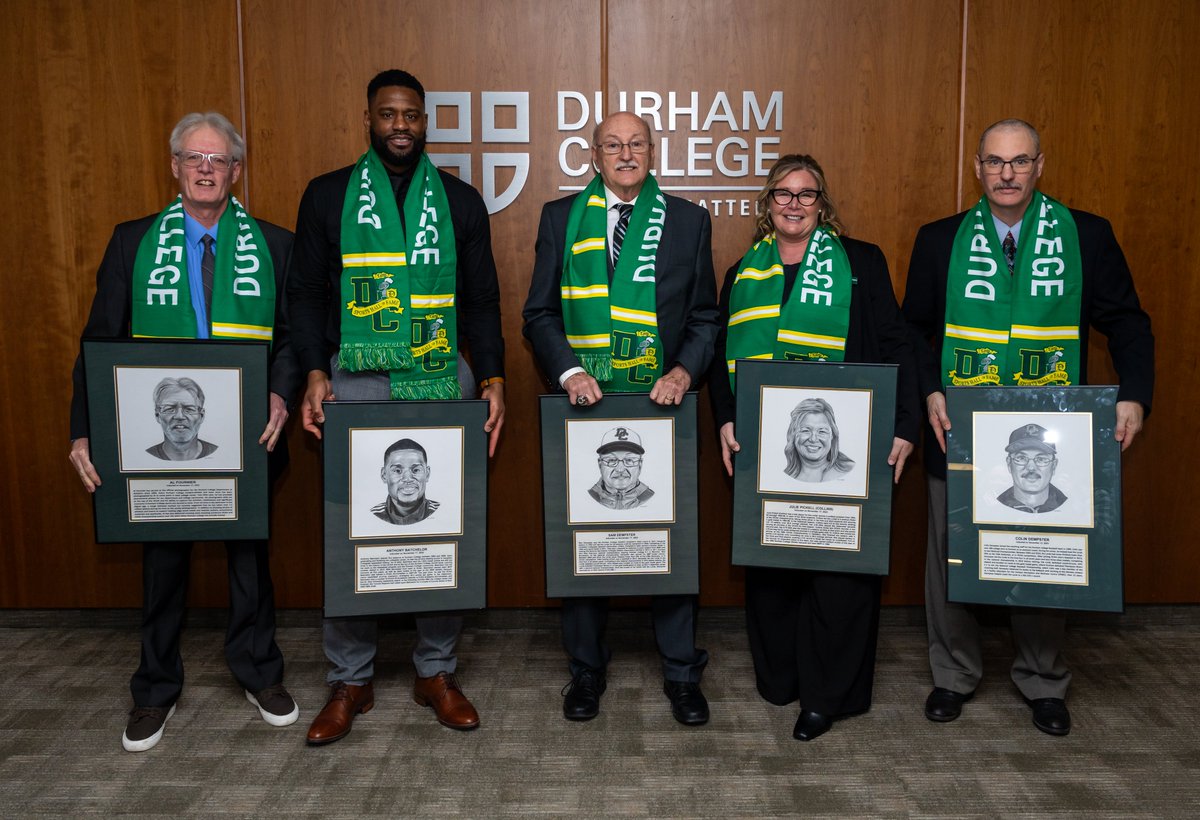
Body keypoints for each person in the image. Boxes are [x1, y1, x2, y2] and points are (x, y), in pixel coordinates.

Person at [902, 118, 1154, 736]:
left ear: (1040, 165)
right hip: (957, 424)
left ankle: (1043, 680)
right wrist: (930, 390)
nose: (1006, 174)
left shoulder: (1086, 236)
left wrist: (1135, 397)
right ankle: (954, 674)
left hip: (1049, 430)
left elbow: (1127, 321)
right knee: (952, 551)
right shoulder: (939, 240)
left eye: (1019, 162)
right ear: (977, 168)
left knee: (1044, 549)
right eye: (994, 162)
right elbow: (913, 331)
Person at [68, 112, 301, 752]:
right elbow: (98, 342)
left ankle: (259, 671)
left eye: (218, 159)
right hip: (161, 429)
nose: (205, 168)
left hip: (250, 431)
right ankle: (154, 688)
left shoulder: (275, 245)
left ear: (235, 171)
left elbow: (289, 340)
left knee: (249, 557)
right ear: (174, 167)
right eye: (193, 157)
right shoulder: (132, 242)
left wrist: (282, 392)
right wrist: (83, 431)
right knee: (163, 561)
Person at [289, 69, 505, 743]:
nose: (401, 126)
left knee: (443, 524)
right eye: (389, 115)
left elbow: (481, 301)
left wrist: (493, 379)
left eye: (412, 115)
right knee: (353, 528)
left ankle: (434, 670)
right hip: (354, 379)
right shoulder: (326, 197)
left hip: (444, 380)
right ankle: (349, 677)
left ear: (425, 122)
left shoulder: (462, 203)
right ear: (369, 120)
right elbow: (302, 296)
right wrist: (314, 373)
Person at [708, 154, 919, 741]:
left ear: (822, 205)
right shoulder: (739, 274)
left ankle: (828, 695)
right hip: (770, 448)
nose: (795, 203)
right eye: (784, 193)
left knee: (837, 572)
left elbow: (898, 342)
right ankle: (782, 677)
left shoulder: (861, 263)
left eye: (807, 194)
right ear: (766, 204)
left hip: (848, 443)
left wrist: (905, 424)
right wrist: (726, 420)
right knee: (775, 568)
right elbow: (722, 366)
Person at [523, 111, 718, 725]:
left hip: (663, 405)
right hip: (586, 405)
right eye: (614, 145)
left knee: (669, 531)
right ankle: (585, 669)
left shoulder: (688, 221)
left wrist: (684, 372)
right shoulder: (560, 219)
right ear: (594, 156)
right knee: (586, 533)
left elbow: (705, 317)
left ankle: (682, 671)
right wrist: (568, 372)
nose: (626, 154)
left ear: (652, 151)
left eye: (637, 144)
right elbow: (539, 315)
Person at [997, 423, 1066, 513]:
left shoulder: (1073, 508)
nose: (1031, 467)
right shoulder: (992, 508)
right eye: (1021, 458)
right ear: (1009, 464)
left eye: (1041, 459)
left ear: (1054, 466)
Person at [783, 397, 855, 482]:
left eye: (822, 431)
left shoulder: (850, 471)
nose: (813, 439)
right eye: (805, 430)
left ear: (832, 435)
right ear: (793, 434)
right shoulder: (784, 478)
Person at [147, 377, 219, 461]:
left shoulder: (218, 454)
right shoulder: (145, 458)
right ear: (157, 415)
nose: (179, 416)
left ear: (201, 416)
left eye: (189, 409)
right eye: (169, 409)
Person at [373, 438, 439, 524]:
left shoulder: (443, 512)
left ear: (427, 474)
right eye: (397, 471)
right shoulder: (371, 516)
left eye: (415, 470)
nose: (407, 479)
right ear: (384, 475)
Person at [588, 427, 655, 509]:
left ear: (640, 465)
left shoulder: (653, 500)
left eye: (629, 460)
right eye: (611, 460)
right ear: (600, 465)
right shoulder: (587, 499)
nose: (620, 469)